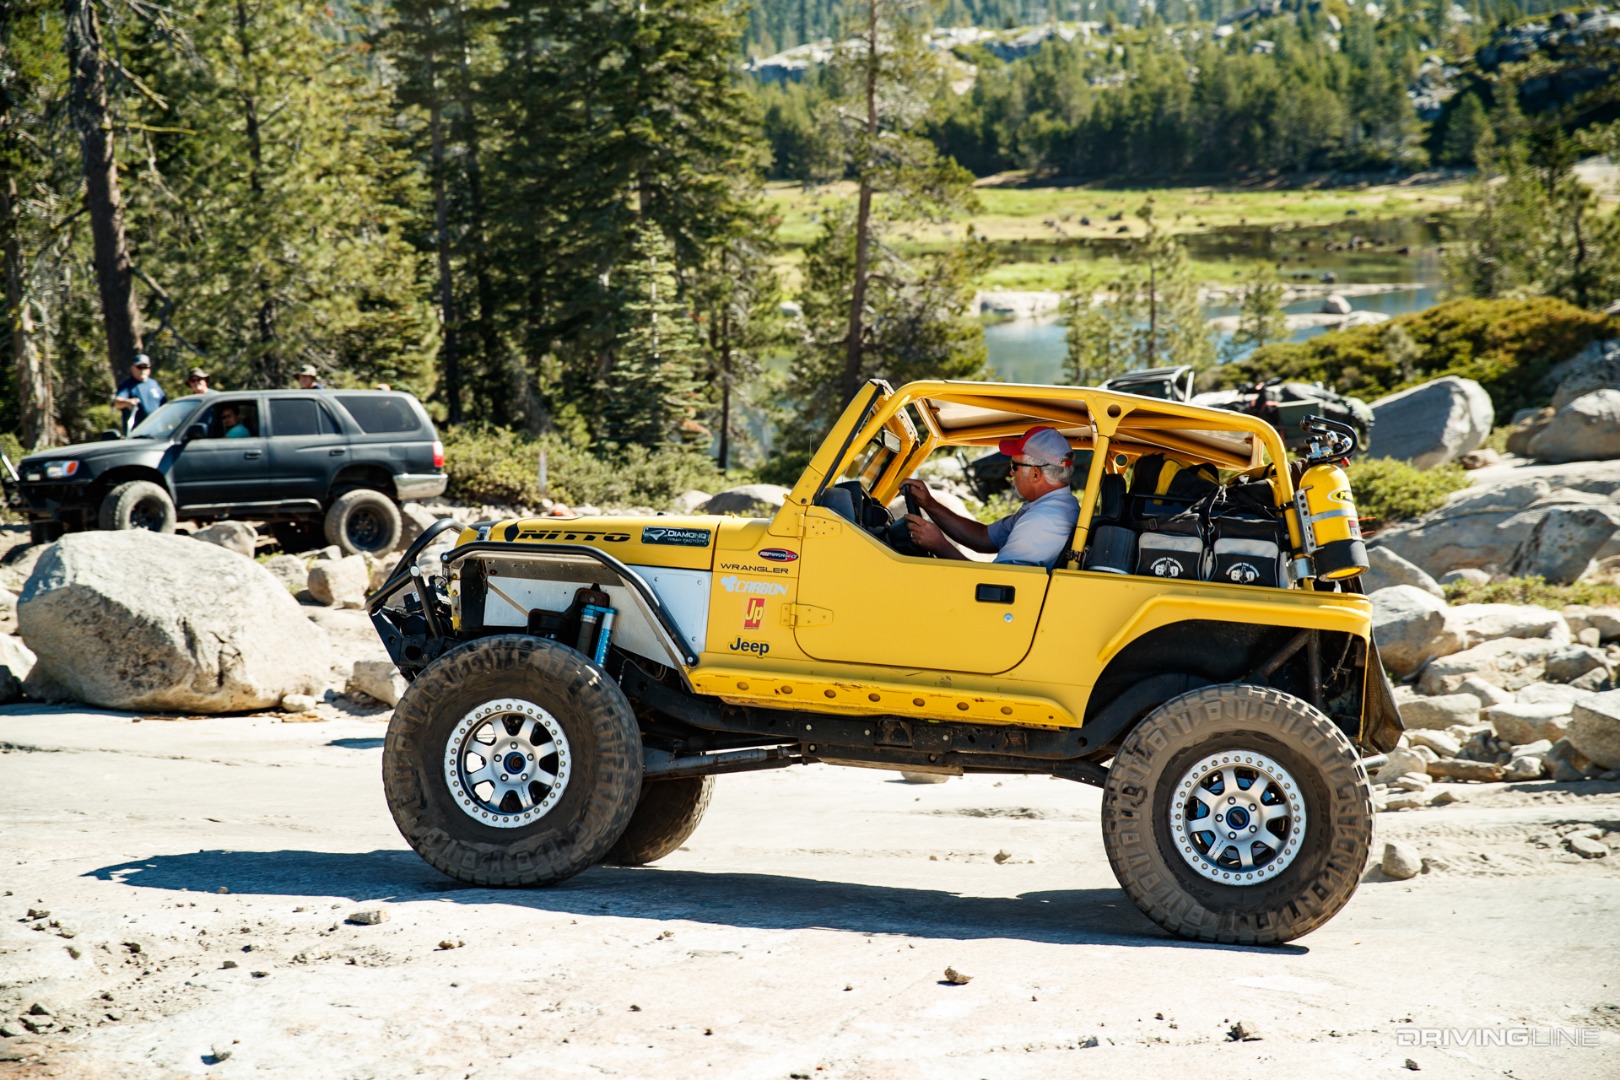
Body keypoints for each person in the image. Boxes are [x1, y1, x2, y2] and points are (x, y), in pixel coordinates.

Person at [901, 426, 1080, 568]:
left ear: (1035, 474)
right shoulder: (1049, 507)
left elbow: (997, 585)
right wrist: (930, 504)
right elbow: (982, 538)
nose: (1010, 472)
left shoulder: (1043, 520)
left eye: (1014, 466)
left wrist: (938, 545)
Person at [112, 354, 167, 432]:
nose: (142, 370)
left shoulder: (154, 384)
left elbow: (164, 405)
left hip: (157, 431)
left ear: (149, 368)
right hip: (137, 433)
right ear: (133, 368)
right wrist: (128, 402)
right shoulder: (127, 385)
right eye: (139, 367)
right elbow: (117, 402)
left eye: (145, 367)